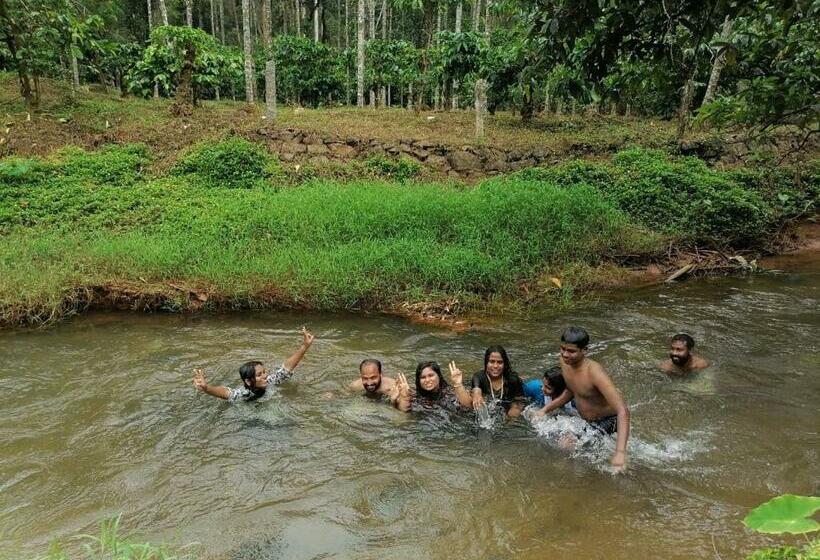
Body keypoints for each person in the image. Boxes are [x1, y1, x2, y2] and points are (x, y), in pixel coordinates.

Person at [535, 327, 630, 472]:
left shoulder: (594, 372)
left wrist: (620, 453)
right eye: (562, 349)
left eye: (571, 351)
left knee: (566, 444)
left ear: (585, 350)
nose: (565, 354)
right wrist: (545, 410)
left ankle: (568, 474)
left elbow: (622, 410)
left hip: (610, 420)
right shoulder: (564, 361)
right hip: (588, 421)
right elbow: (572, 390)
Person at [193, 327, 315, 402]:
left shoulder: (271, 381)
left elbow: (286, 368)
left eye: (264, 372)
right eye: (259, 374)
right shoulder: (245, 394)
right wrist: (207, 388)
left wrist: (304, 347)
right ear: (248, 381)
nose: (265, 376)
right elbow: (226, 393)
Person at [468, 345, 528, 419]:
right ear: (486, 363)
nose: (495, 366)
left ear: (504, 364)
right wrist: (477, 393)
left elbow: (520, 400)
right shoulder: (479, 377)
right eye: (492, 362)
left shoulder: (513, 380)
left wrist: (513, 413)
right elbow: (476, 388)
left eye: (499, 362)